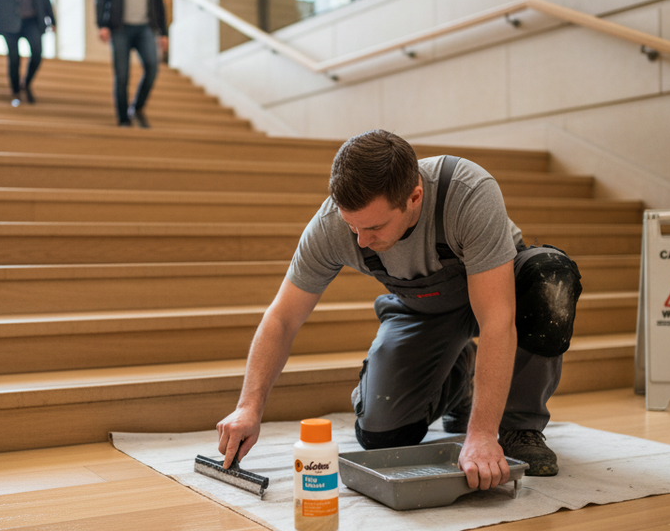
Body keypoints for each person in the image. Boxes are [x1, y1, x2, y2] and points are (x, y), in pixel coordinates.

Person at [216, 130, 583, 489]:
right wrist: (249, 406)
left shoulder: (467, 190)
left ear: (415, 196)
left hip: (501, 291)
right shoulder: (330, 226)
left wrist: (483, 435)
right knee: (382, 434)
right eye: (352, 225)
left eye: (374, 227)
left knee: (550, 275)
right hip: (424, 308)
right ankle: (459, 379)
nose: (361, 240)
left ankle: (522, 425)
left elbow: (497, 320)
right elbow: (282, 318)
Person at [94, 0, 168, 128]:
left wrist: (163, 33)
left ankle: (137, 107)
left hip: (145, 26)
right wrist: (102, 24)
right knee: (122, 74)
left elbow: (158, 2)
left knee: (153, 67)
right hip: (119, 28)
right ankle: (123, 118)